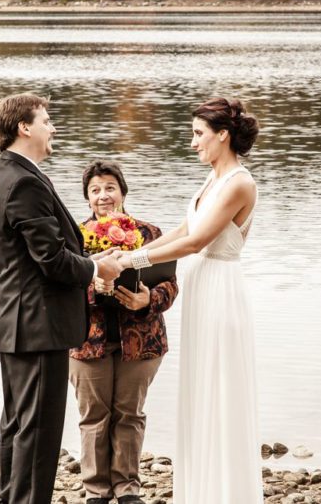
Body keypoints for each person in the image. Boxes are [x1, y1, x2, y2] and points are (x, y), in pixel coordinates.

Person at [117, 97, 262, 503]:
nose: (193, 142)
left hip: (221, 290)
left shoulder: (239, 183)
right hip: (203, 292)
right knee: (201, 386)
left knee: (221, 388)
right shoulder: (212, 181)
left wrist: (134, 258)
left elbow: (198, 241)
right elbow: (181, 231)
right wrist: (124, 255)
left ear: (223, 135)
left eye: (199, 134)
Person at [0, 93, 124, 504]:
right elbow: (51, 261)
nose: (53, 127)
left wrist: (91, 259)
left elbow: (36, 256)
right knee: (38, 433)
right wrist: (99, 269)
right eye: (46, 120)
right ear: (24, 127)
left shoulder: (2, 175)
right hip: (38, 325)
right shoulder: (24, 181)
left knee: (18, 427)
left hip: (16, 322)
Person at [69, 160, 179, 504]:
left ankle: (128, 488)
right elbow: (59, 289)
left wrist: (149, 299)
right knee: (93, 417)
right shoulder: (73, 236)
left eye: (110, 188)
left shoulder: (150, 234)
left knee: (130, 414)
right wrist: (95, 286)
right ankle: (96, 491)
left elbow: (171, 284)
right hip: (88, 341)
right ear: (88, 199)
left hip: (142, 341)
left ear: (123, 192)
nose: (104, 196)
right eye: (95, 190)